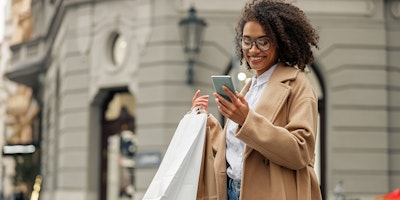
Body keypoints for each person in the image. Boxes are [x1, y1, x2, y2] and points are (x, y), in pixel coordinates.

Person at [191, 0, 322, 199]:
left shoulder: (297, 84)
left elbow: (301, 151)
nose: (253, 50)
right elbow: (238, 152)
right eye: (247, 41)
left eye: (263, 41)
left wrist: (246, 120)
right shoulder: (250, 88)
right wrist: (204, 122)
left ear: (280, 41)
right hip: (233, 191)